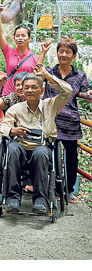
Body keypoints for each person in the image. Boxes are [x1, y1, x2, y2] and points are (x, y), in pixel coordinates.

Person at [0, 64, 72, 214]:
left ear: (42, 90)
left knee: (41, 153)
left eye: (34, 87)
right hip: (21, 146)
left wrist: (47, 75)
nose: (30, 90)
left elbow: (67, 91)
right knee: (12, 149)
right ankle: (12, 197)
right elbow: (2, 128)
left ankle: (41, 200)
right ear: (22, 90)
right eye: (26, 88)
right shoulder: (15, 109)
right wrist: (13, 130)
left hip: (42, 146)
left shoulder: (51, 105)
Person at [39, 38, 92, 204]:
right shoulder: (49, 72)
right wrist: (43, 52)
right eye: (61, 51)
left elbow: (86, 92)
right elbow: (37, 71)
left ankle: (69, 191)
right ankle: (51, 188)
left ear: (74, 56)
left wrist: (88, 92)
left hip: (70, 122)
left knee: (71, 158)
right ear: (57, 54)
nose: (63, 54)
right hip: (50, 119)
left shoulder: (80, 76)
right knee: (49, 155)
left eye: (68, 52)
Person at [0, 4, 39, 95]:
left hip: (27, 97)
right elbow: (0, 35)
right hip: (8, 95)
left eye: (23, 36)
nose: (20, 38)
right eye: (17, 35)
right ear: (14, 38)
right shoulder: (9, 52)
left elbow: (38, 78)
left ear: (29, 38)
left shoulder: (36, 57)